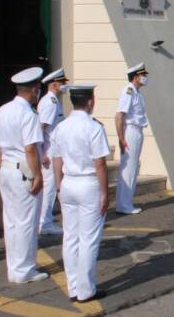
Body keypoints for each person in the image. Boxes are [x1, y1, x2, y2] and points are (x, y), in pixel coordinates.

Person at [51, 83, 110, 303]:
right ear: (90, 101)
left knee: (71, 238)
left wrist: (58, 186)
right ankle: (86, 290)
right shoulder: (93, 127)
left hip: (67, 183)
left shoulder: (62, 126)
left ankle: (73, 288)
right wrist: (105, 193)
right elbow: (100, 164)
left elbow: (56, 160)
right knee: (89, 239)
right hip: (88, 184)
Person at [0, 67, 49, 283]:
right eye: (38, 88)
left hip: (6, 169)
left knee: (12, 221)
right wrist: (38, 176)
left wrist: (3, 164)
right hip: (24, 169)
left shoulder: (3, 110)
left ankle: (14, 268)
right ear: (34, 89)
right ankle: (25, 270)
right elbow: (31, 149)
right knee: (26, 222)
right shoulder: (29, 114)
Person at [36, 68, 69, 236]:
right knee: (49, 187)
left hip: (53, 149)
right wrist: (41, 154)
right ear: (55, 84)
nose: (65, 86)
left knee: (49, 187)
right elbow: (41, 129)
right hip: (49, 151)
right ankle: (45, 222)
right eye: (63, 83)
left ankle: (45, 219)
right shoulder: (50, 102)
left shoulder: (53, 101)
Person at [115, 63, 149, 215]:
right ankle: (124, 204)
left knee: (132, 168)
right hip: (130, 131)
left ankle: (126, 202)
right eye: (143, 75)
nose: (145, 78)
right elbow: (120, 115)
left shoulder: (137, 93)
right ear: (136, 77)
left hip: (137, 130)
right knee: (128, 169)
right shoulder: (128, 91)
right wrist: (121, 138)